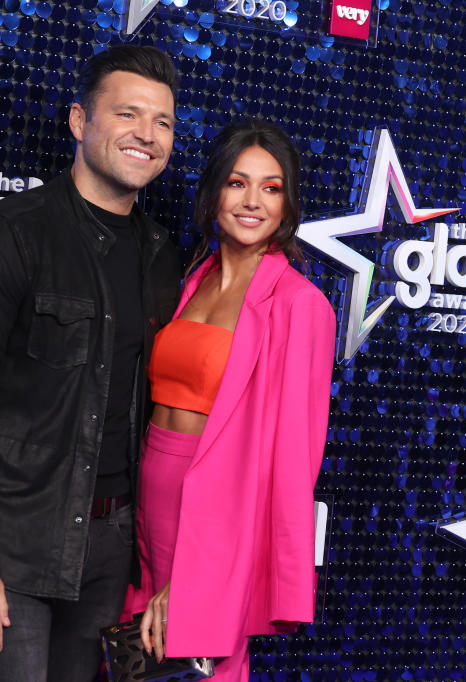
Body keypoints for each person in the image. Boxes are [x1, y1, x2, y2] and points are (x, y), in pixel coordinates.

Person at [0, 45, 181, 681]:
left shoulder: (162, 256)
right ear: (77, 122)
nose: (147, 134)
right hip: (6, 548)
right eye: (127, 114)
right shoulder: (7, 234)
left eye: (163, 122)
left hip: (114, 554)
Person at [121, 118, 336, 680]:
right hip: (142, 515)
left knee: (201, 666)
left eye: (271, 188)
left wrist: (197, 579)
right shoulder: (192, 278)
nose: (252, 201)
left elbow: (286, 470)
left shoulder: (299, 306)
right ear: (215, 189)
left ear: (287, 206)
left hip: (214, 527)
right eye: (238, 183)